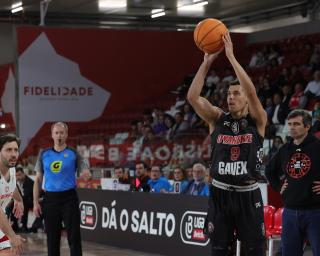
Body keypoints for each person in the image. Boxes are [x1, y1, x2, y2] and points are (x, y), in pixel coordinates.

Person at [187, 32, 267, 255]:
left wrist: (231, 57)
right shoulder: (217, 118)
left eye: (236, 93)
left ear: (245, 98)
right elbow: (193, 97)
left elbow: (251, 90)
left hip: (248, 193)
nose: (230, 97)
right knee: (219, 250)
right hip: (220, 194)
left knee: (255, 250)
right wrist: (207, 62)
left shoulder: (257, 120)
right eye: (229, 93)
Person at [265, 109, 320, 256]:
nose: (292, 127)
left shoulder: (317, 146)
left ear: (307, 127)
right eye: (290, 124)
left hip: (316, 212)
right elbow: (269, 171)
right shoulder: (285, 149)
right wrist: (278, 186)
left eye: (296, 124)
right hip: (289, 212)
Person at [33, 122, 89, 256]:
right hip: (50, 199)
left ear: (67, 135)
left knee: (74, 237)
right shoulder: (44, 154)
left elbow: (85, 171)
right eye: (56, 133)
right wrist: (35, 202)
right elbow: (38, 179)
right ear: (52, 135)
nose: (59, 135)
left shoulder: (74, 153)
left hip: (69, 198)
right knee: (52, 238)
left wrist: (86, 174)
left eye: (62, 133)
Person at [0, 134, 25, 255]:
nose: (14, 154)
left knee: (11, 252)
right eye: (8, 150)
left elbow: (12, 186)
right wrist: (12, 236)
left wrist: (19, 200)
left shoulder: (12, 169)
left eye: (16, 150)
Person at [9, 165, 35, 233]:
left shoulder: (30, 182)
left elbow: (27, 195)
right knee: (12, 204)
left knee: (23, 203)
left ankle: (24, 226)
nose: (18, 177)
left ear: (24, 173)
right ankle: (14, 225)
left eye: (20, 175)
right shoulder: (15, 182)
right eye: (16, 175)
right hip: (22, 200)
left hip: (31, 201)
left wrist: (18, 200)